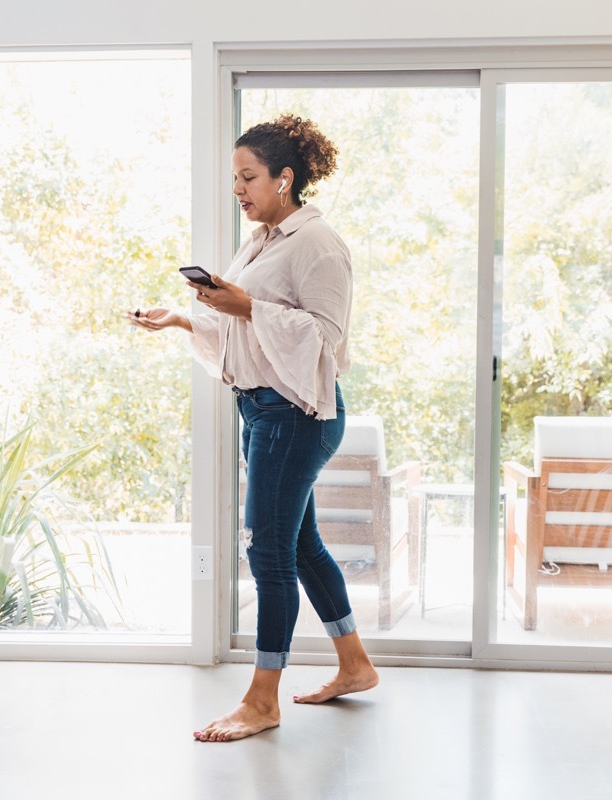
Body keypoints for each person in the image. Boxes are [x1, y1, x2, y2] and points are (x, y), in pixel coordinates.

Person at [126, 114, 378, 742]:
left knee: (268, 550)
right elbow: (246, 328)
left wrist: (245, 304)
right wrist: (183, 320)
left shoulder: (318, 245)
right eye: (234, 178)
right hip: (262, 410)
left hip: (294, 414)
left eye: (249, 177)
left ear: (285, 178)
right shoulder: (264, 240)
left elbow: (327, 340)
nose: (238, 190)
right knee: (298, 546)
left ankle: (263, 697)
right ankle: (355, 664)